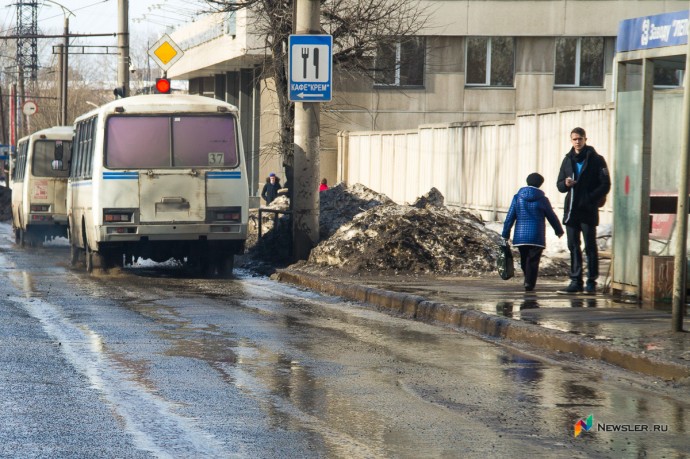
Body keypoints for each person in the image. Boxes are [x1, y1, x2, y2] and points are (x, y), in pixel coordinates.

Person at [556, 127, 611, 294]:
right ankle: (575, 281)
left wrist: (590, 198)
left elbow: (605, 184)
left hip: (588, 210)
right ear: (571, 141)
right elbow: (559, 184)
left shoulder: (596, 159)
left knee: (590, 246)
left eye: (580, 139)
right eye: (574, 139)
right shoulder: (567, 160)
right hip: (572, 210)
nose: (577, 142)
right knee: (573, 245)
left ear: (585, 139)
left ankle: (591, 282)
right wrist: (565, 184)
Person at [502, 172, 564, 292]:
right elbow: (551, 216)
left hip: (521, 236)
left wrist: (505, 233)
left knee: (524, 259)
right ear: (540, 184)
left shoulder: (517, 197)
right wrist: (558, 230)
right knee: (533, 261)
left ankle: (527, 279)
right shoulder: (543, 199)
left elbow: (510, 216)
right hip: (537, 236)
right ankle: (529, 283)